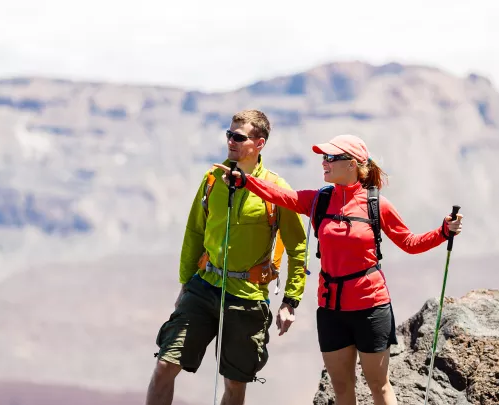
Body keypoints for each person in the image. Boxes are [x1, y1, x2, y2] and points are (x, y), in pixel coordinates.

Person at [214, 134, 464, 405]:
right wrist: (245, 181)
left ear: (353, 164)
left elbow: (409, 242)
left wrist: (442, 232)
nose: (324, 162)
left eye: (331, 158)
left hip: (371, 306)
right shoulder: (319, 200)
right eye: (323, 157)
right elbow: (282, 196)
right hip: (331, 310)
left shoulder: (376, 204)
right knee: (342, 389)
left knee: (379, 387)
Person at [145, 110, 308, 405]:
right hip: (204, 287)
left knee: (234, 384)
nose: (230, 141)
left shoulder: (276, 190)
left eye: (238, 136)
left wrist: (290, 301)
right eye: (228, 134)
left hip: (247, 298)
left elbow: (298, 247)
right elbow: (194, 231)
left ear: (259, 143)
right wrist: (185, 283)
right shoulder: (212, 180)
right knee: (165, 365)